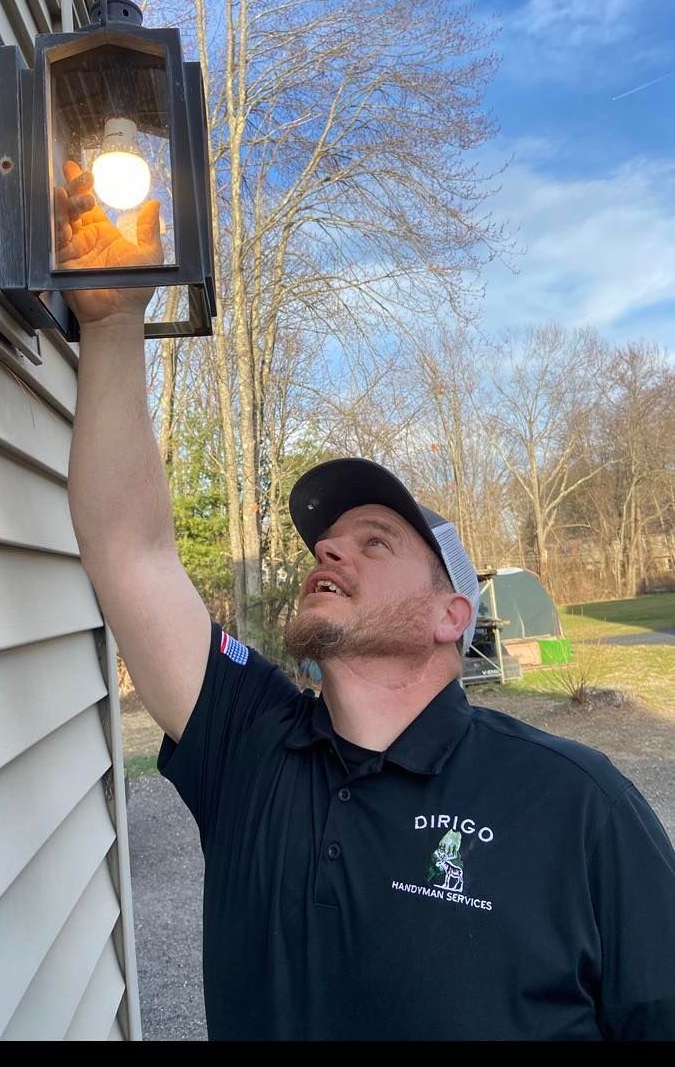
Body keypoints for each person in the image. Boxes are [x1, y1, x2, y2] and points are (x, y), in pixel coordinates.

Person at [62, 166, 675, 1041]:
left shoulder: (578, 808)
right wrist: (115, 322)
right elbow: (130, 551)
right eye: (328, 540)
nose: (332, 548)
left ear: (449, 616)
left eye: (376, 539)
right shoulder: (253, 747)